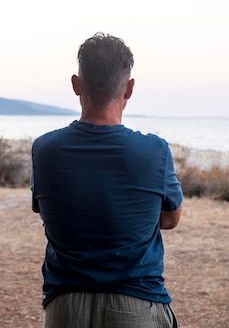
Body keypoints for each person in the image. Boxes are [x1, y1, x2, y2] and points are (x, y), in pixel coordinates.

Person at [31, 32, 184, 328]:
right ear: (129, 89)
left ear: (76, 85)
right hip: (137, 301)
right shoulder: (155, 151)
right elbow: (170, 219)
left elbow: (50, 213)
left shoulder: (45, 149)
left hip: (65, 306)